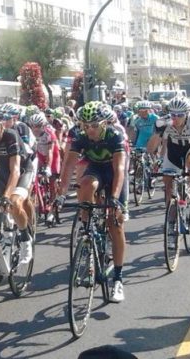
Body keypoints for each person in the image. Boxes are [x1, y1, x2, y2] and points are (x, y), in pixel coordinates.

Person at [56, 101, 128, 303]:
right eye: (85, 125)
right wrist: (61, 193)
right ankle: (89, 229)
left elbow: (119, 169)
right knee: (86, 184)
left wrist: (114, 199)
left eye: (94, 126)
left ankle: (119, 278)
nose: (90, 130)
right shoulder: (80, 136)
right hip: (96, 168)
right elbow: (69, 165)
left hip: (114, 171)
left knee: (116, 223)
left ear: (105, 124)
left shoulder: (115, 135)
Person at [0, 104, 34, 265]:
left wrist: (6, 196)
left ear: (2, 124)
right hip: (2, 172)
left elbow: (15, 170)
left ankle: (25, 238)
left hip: (23, 171)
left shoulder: (11, 136)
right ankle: (2, 236)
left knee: (14, 203)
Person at [147, 97, 190, 213]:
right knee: (167, 182)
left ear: (186, 113)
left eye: (180, 115)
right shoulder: (164, 122)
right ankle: (170, 218)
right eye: (173, 114)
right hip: (174, 149)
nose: (175, 118)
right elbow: (151, 148)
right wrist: (158, 132)